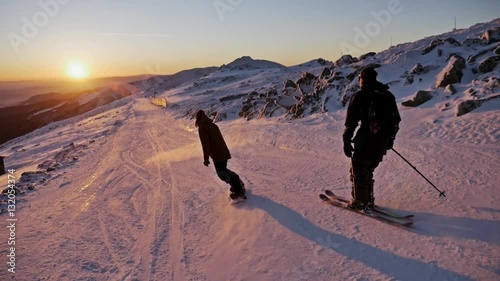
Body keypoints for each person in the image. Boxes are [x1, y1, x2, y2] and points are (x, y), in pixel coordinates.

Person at [342, 67, 401, 210]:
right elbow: (396, 120)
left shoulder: (360, 96)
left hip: (365, 140)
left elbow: (351, 122)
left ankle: (360, 202)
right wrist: (390, 139)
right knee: (368, 170)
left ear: (363, 79)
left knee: (359, 170)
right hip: (382, 141)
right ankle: (368, 199)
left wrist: (346, 141)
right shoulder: (388, 96)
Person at [195, 110, 246, 198]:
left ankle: (239, 189)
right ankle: (238, 183)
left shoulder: (203, 127)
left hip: (217, 153)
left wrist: (206, 159)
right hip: (222, 151)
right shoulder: (212, 125)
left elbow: (205, 144)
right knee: (224, 170)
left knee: (221, 173)